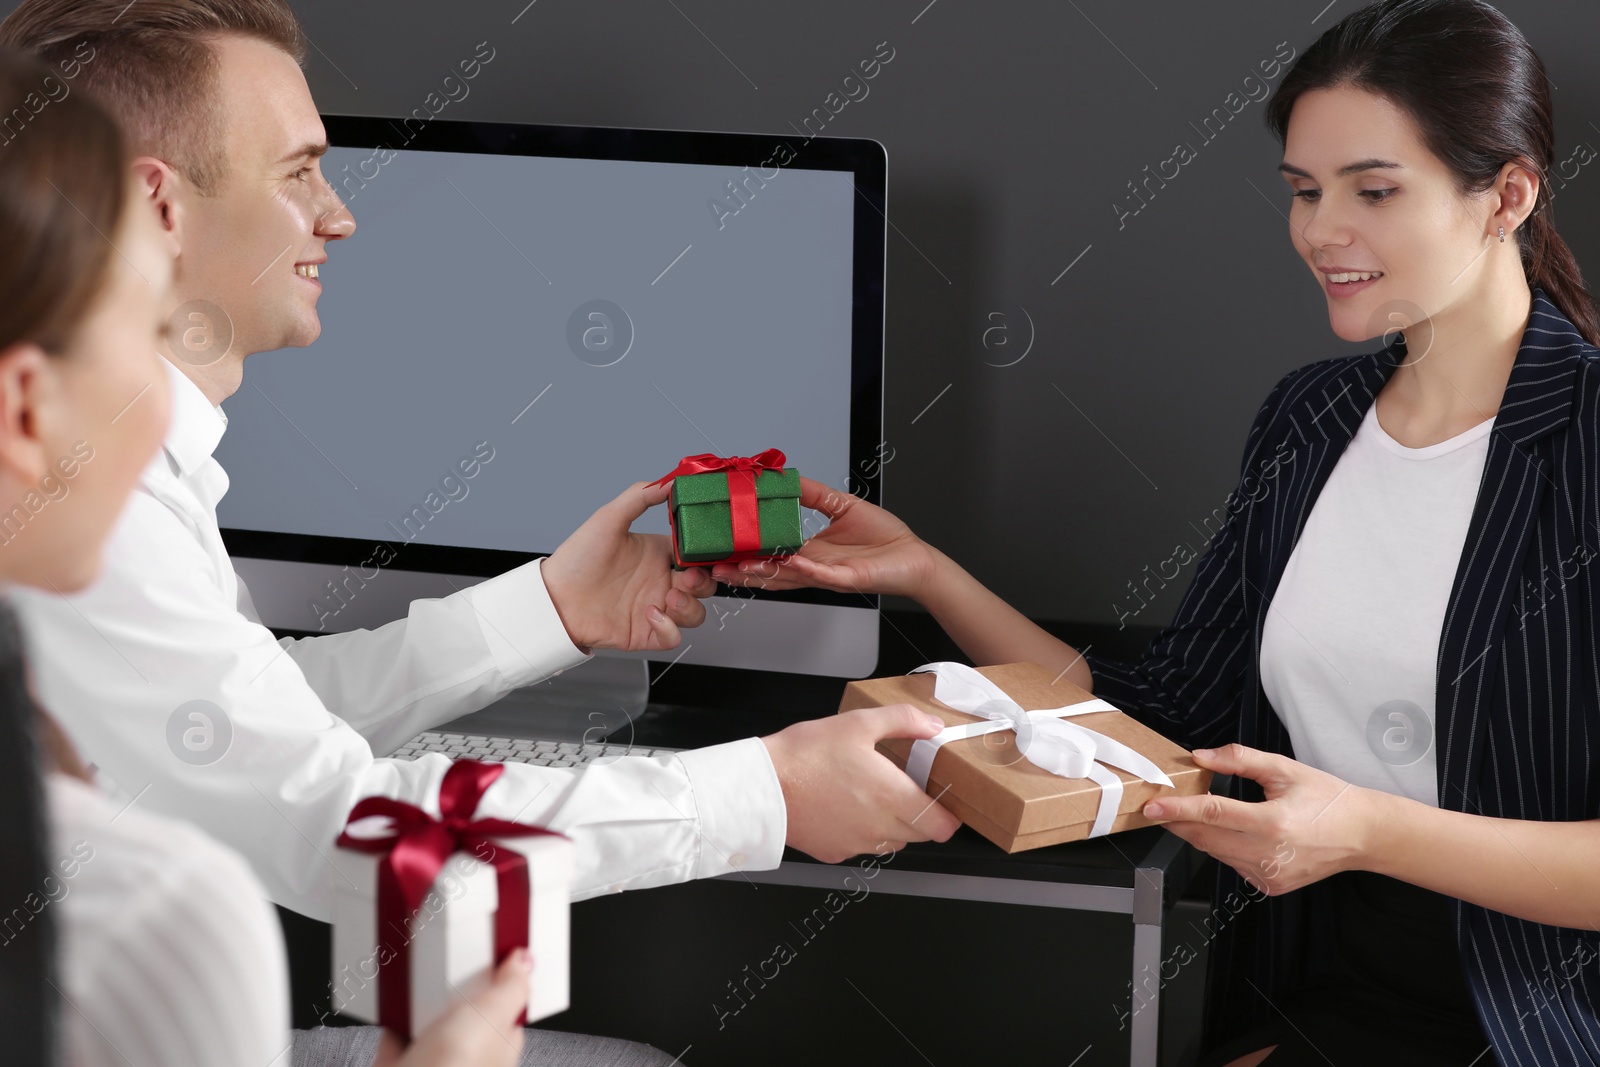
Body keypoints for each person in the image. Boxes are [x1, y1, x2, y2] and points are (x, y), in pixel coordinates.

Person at [0, 0, 958, 1011]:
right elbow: (340, 823)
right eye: (298, 172)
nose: (340, 213)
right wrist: (763, 790)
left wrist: (548, 608)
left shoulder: (124, 480)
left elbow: (247, 720)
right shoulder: (88, 509)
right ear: (159, 206)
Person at [716, 2, 1600, 1064]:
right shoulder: (1308, 420)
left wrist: (1364, 828)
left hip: (1542, 1014)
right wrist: (928, 573)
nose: (1321, 230)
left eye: (1372, 190)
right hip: (1318, 982)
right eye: (1303, 191)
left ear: (1506, 193)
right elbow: (1166, 717)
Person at [0, 42, 571, 1067]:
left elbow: (242, 710)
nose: (181, 413)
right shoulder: (165, 918)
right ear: (25, 405)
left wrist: (555, 608)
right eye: (141, 344)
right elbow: (322, 809)